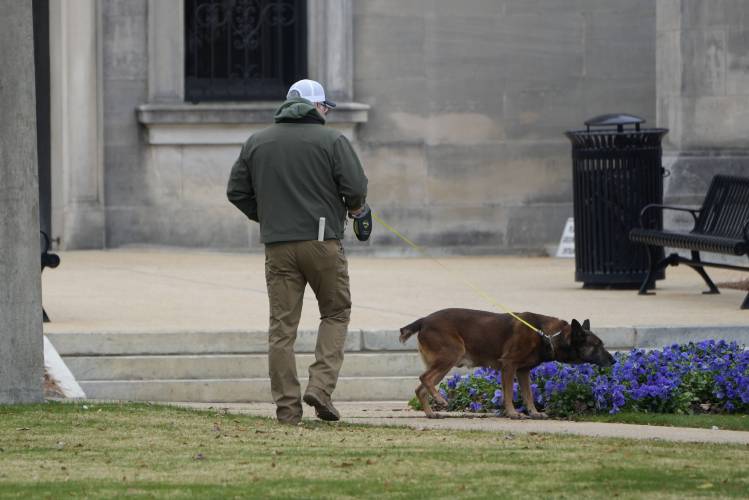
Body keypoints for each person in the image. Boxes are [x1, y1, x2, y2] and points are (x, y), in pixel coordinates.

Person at [227, 79, 369, 424]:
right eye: (326, 106)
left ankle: (287, 410)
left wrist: (270, 217)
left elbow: (236, 192)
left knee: (282, 330)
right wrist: (353, 209)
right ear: (316, 107)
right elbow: (356, 189)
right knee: (335, 313)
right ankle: (320, 387)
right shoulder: (333, 140)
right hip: (322, 241)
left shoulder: (256, 142)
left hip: (277, 245)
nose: (327, 111)